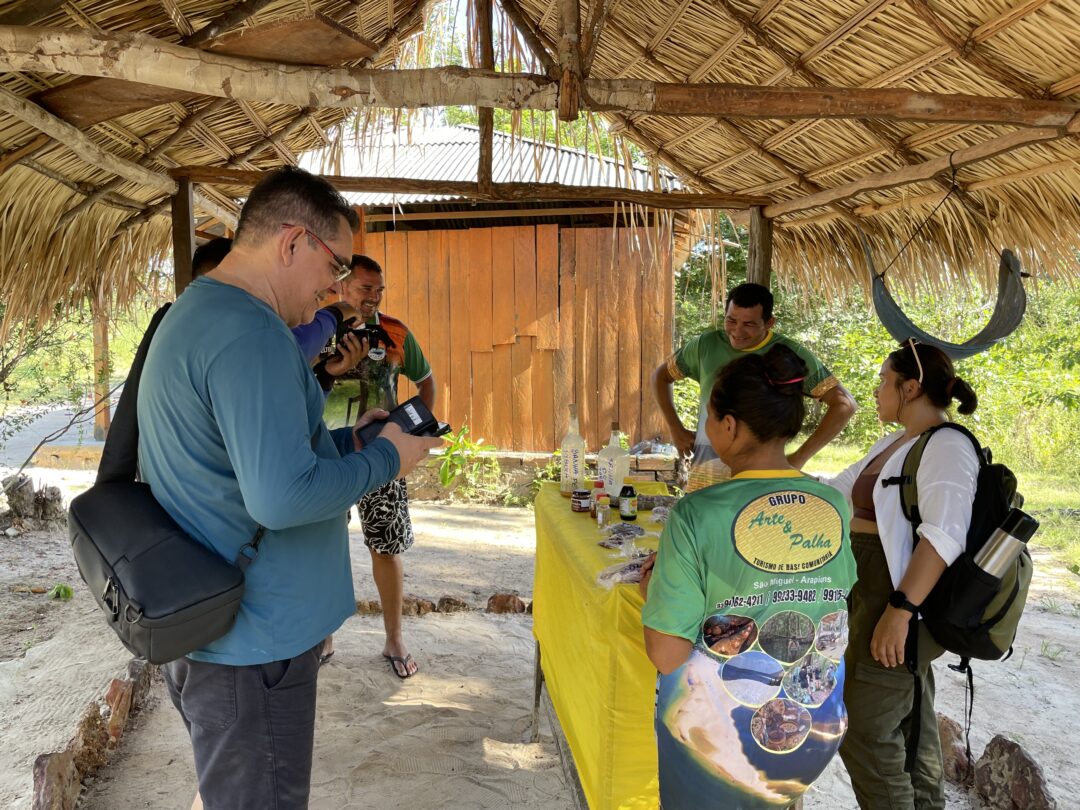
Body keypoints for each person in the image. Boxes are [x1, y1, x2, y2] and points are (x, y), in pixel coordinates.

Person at [138, 166, 443, 810]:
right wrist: (388, 457)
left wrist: (351, 441)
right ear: (292, 243)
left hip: (220, 629)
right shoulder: (252, 334)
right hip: (254, 645)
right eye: (333, 270)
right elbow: (280, 497)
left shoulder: (200, 312)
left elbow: (255, 461)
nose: (334, 292)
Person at [640, 344, 856, 809]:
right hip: (813, 728)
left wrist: (652, 591)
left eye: (709, 417)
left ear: (729, 426)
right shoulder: (833, 505)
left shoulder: (697, 513)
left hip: (718, 742)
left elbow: (666, 653)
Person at [824, 339, 979, 810]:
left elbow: (943, 536)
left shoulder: (947, 446)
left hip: (898, 598)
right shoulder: (896, 441)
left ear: (909, 388)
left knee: (866, 728)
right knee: (911, 725)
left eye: (883, 382)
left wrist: (900, 611)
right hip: (872, 593)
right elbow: (838, 489)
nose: (874, 391)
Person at [322, 253, 436, 678]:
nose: (373, 296)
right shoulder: (318, 331)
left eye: (378, 289)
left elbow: (426, 380)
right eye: (365, 288)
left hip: (381, 457)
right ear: (342, 288)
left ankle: (394, 638)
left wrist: (418, 430)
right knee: (323, 547)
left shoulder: (395, 332)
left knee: (385, 548)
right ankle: (325, 635)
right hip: (327, 454)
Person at [652, 282, 856, 491]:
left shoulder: (788, 354)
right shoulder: (706, 345)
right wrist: (675, 428)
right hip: (705, 476)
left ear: (769, 323)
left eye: (749, 324)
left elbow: (844, 405)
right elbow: (661, 375)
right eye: (731, 320)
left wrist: (799, 457)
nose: (737, 331)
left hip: (761, 482)